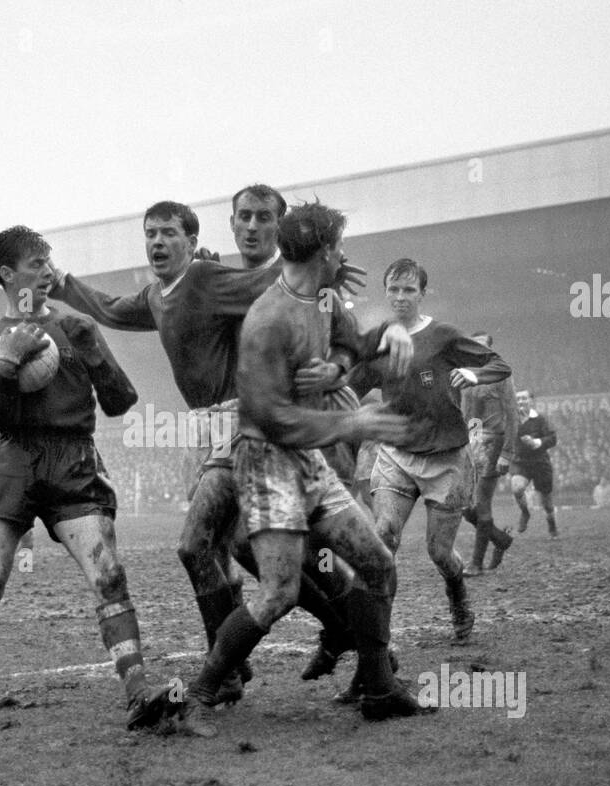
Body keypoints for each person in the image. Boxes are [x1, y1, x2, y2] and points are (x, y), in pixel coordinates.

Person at [49, 190, 392, 702]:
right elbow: (114, 309)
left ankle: (243, 669)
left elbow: (342, 330)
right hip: (225, 431)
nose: (253, 227)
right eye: (151, 233)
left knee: (242, 549)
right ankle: (339, 643)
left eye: (265, 218)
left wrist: (335, 358)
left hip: (266, 429)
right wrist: (61, 284)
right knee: (249, 550)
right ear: (229, 225)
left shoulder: (233, 281)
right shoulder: (192, 286)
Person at [176, 201, 425, 735]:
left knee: (379, 564)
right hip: (266, 460)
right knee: (278, 592)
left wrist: (377, 342)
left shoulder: (326, 295)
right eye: (340, 245)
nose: (344, 254)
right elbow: (270, 418)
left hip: (307, 459)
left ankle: (379, 686)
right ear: (326, 251)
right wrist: (351, 426)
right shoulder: (267, 320)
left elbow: (349, 344)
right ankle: (199, 694)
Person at [0, 225, 172, 732]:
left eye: (48, 258)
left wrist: (93, 350)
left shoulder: (76, 325)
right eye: (36, 261)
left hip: (73, 458)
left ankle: (138, 690)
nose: (47, 267)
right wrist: (8, 370)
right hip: (14, 461)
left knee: (109, 575)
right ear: (9, 275)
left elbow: (121, 402)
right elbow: (4, 423)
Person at [364, 259, 511, 655]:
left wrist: (476, 375)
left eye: (408, 290)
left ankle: (458, 593)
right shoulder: (378, 339)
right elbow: (349, 383)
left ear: (422, 294)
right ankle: (378, 639)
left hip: (446, 457)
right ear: (386, 291)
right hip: (396, 454)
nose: (400, 297)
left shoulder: (442, 335)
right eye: (393, 289)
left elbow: (499, 364)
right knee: (383, 539)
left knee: (439, 553)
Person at [459, 333, 518, 575]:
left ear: (490, 349)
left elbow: (512, 413)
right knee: (464, 507)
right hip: (472, 444)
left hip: (494, 442)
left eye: (482, 345)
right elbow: (467, 415)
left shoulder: (502, 376)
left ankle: (476, 563)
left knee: (482, 504)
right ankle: (500, 539)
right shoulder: (466, 375)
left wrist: (507, 452)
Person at [510, 389, 559, 537]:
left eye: (524, 398)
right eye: (517, 399)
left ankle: (551, 523)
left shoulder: (541, 419)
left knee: (547, 503)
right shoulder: (512, 420)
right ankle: (525, 513)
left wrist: (536, 442)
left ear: (531, 401)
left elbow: (553, 438)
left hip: (540, 463)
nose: (520, 402)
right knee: (517, 488)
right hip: (521, 462)